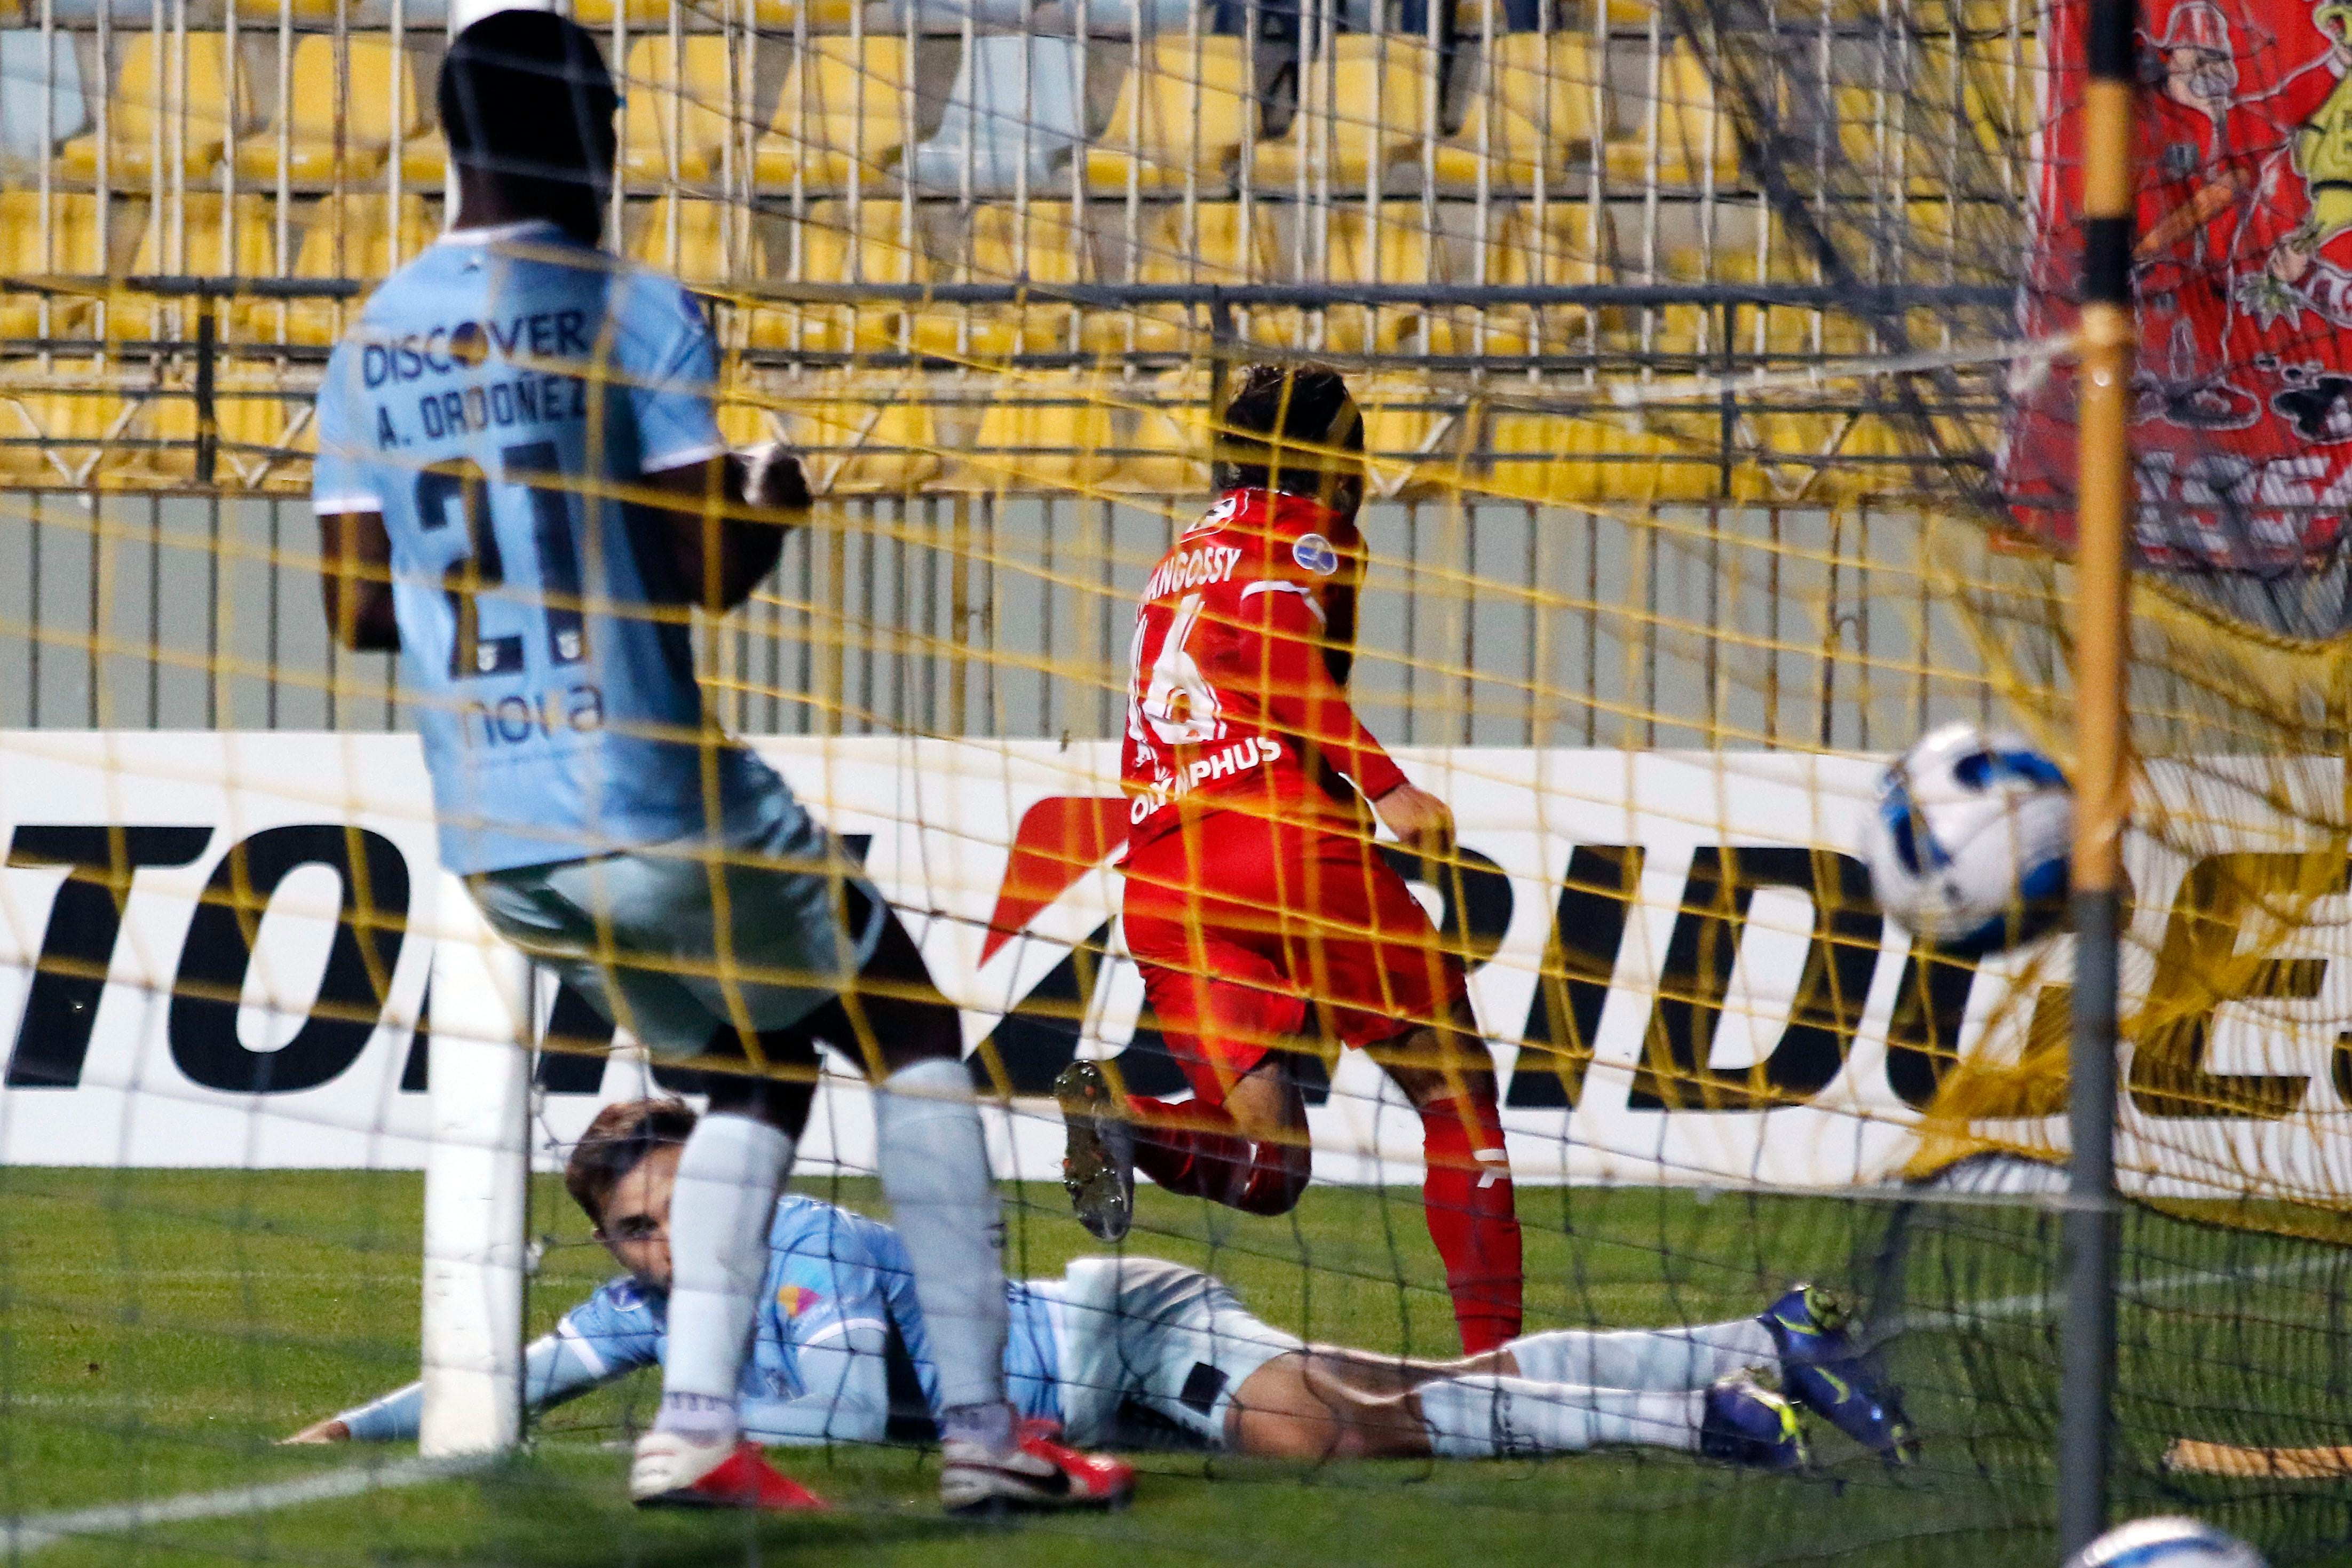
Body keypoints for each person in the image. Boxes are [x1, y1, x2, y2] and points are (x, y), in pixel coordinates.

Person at [309, 11, 1120, 1514]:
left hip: (497, 833)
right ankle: (990, 1436)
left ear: (452, 137)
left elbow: (357, 605)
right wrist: (769, 492)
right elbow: (702, 574)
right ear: (592, 130)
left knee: (755, 1066)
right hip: (650, 790)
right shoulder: (632, 307)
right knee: (907, 1022)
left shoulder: (372, 341)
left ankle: (696, 1424)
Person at [290, 1099, 1918, 1468]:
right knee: (1426, 1390)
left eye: (673, 1216)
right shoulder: (652, 1309)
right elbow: (501, 1381)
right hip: (1109, 1355)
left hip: (1122, 1335)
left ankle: (1701, 1420)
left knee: (1334, 1429)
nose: (659, 1252)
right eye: (634, 1235)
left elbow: (861, 1394)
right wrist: (355, 1432)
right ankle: (1748, 1336)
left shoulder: (805, 1250)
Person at [1057, 362, 1523, 1356]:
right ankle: (1500, 1359)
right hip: (1279, 845)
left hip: (1166, 875)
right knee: (1455, 1088)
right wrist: (1387, 786)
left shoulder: (1180, 554)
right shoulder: (1306, 530)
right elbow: (1273, 651)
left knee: (1272, 1169)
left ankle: (1134, 1124)